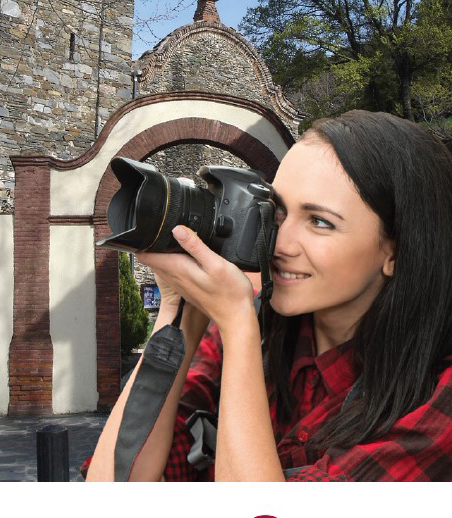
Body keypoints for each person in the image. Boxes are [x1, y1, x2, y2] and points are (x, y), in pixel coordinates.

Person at [85, 110, 452, 481]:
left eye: (319, 222)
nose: (280, 244)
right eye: (276, 212)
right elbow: (113, 490)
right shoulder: (251, 329)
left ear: (396, 251)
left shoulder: (439, 396)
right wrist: (179, 308)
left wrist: (236, 324)